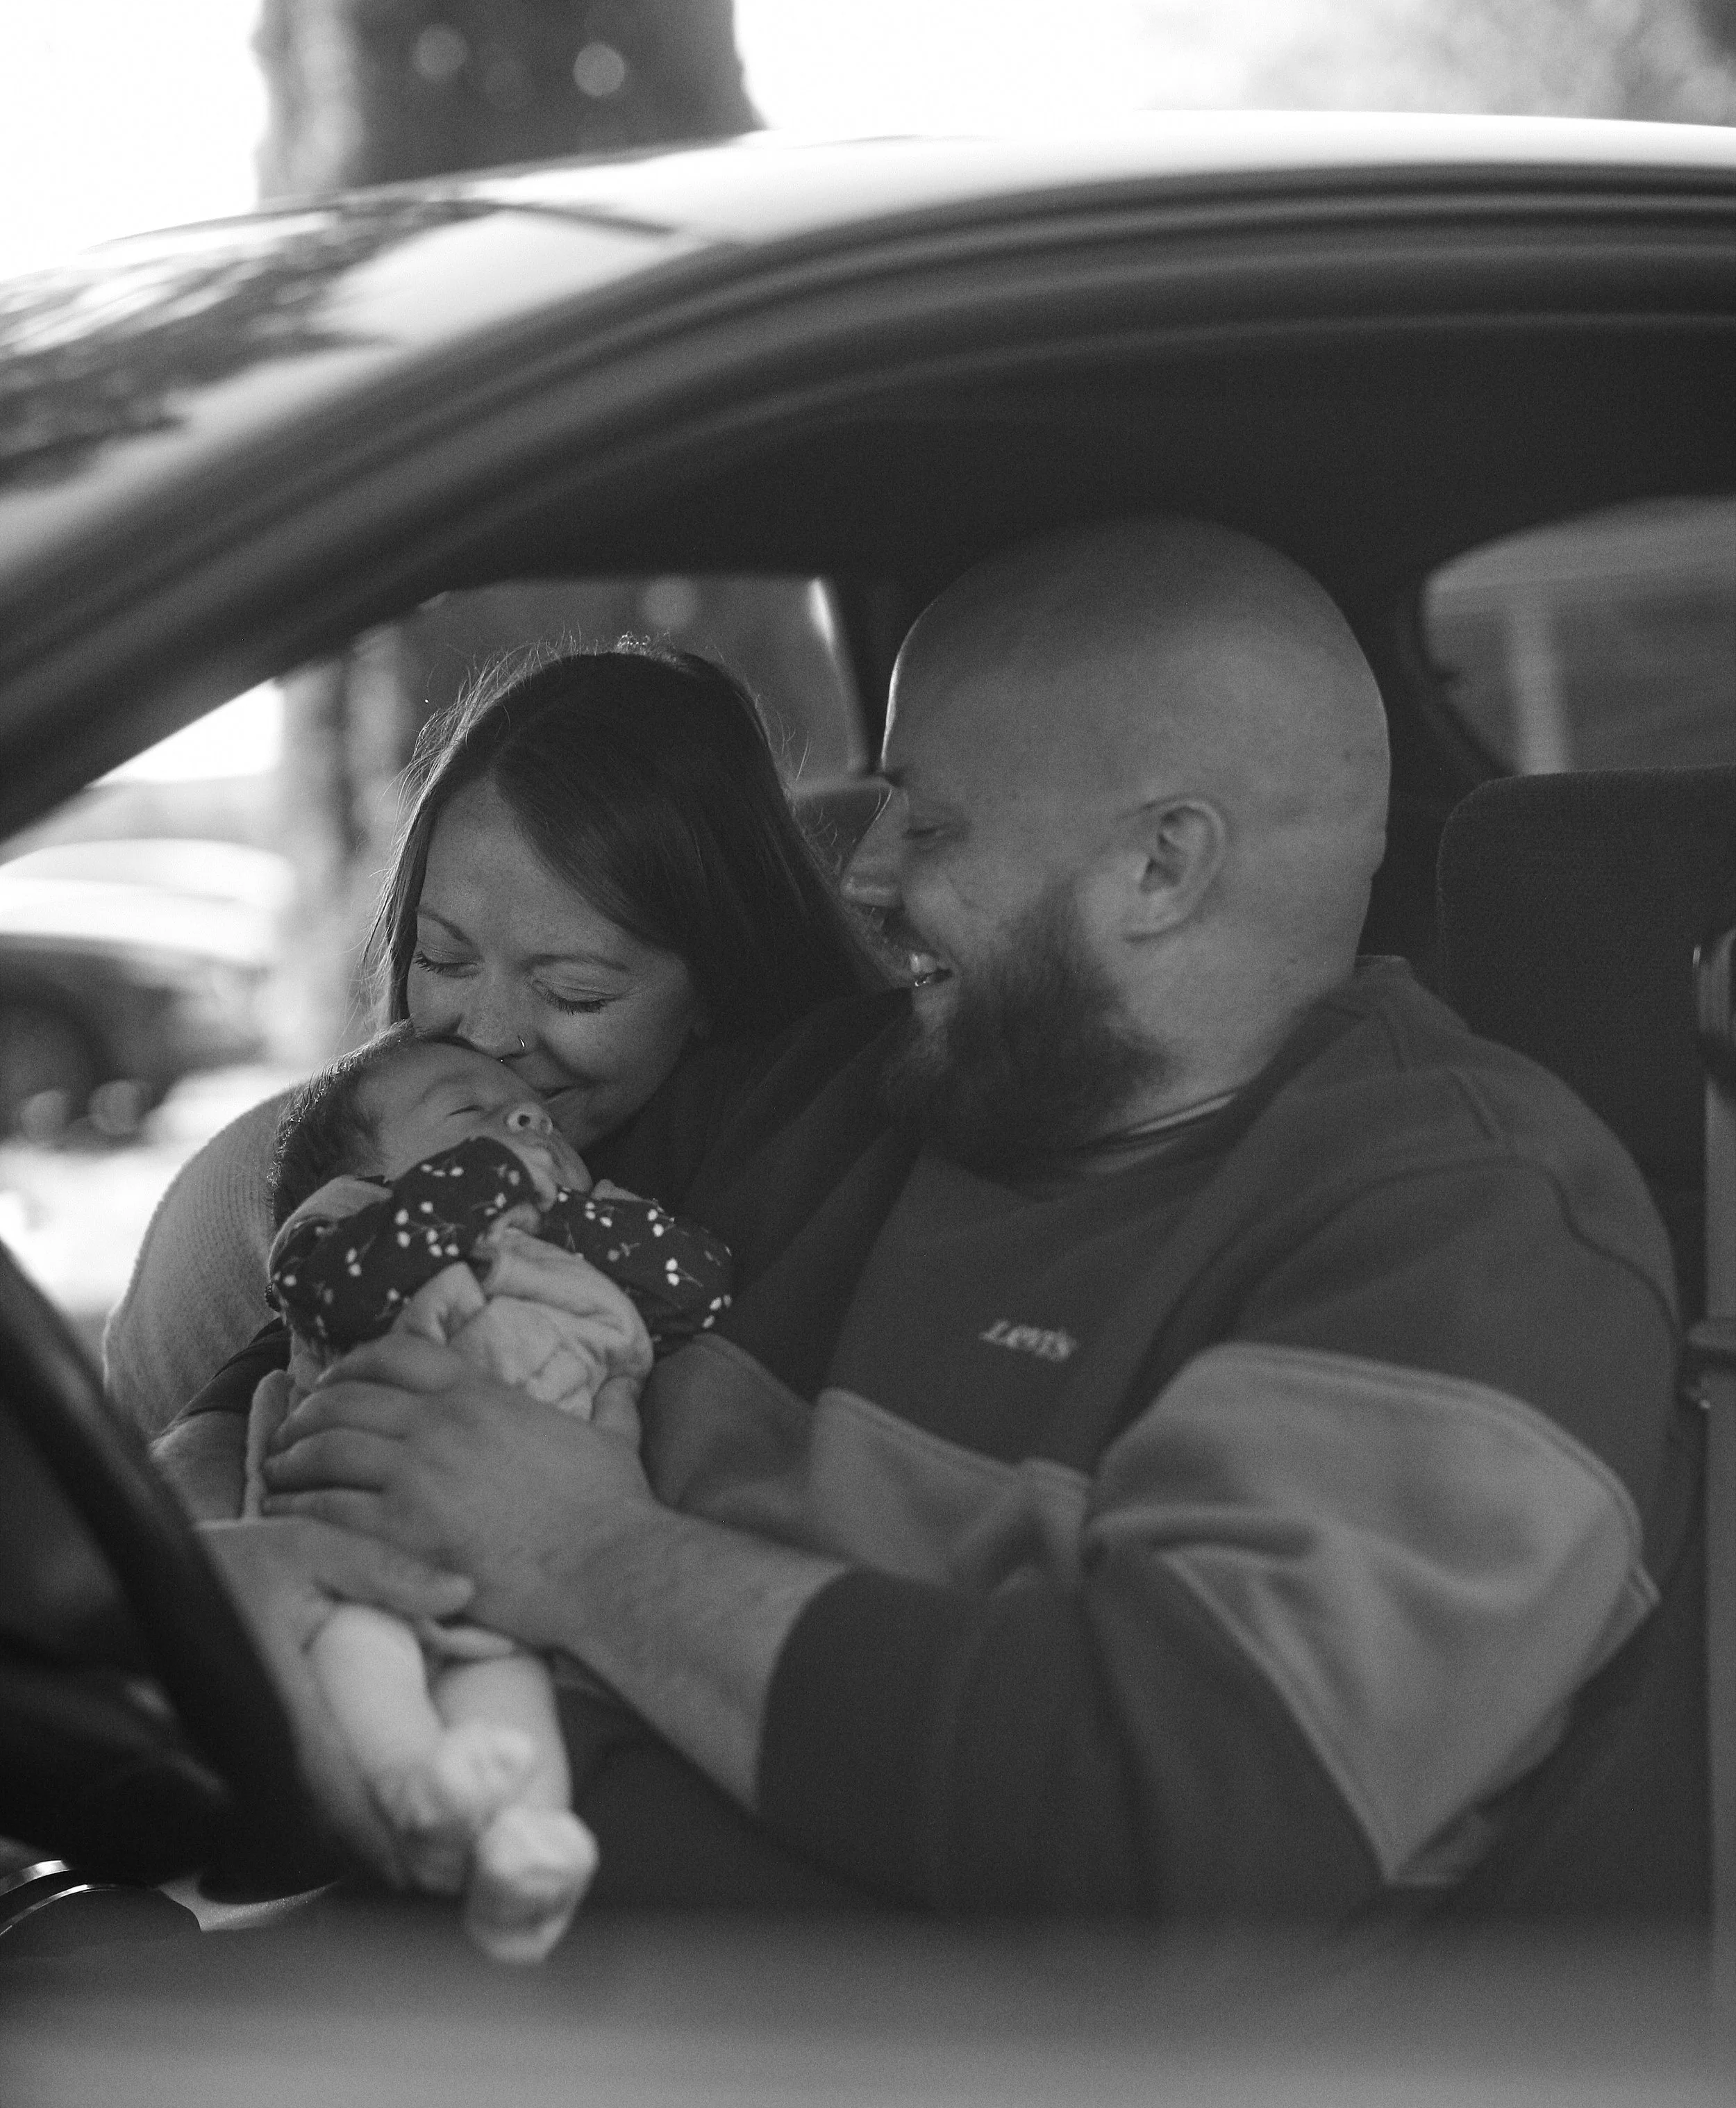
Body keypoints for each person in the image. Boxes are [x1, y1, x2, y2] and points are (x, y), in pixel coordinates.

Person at [217, 518, 1681, 1921]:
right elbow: (333, 1317)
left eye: (927, 819)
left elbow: (1165, 1812)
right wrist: (228, 1544)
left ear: (1160, 866)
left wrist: (586, 1556)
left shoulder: (1470, 1235)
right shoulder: (828, 1094)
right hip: (459, 1937)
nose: (859, 876)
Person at [112, 642, 876, 1518]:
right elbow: (270, 1363)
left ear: (720, 979)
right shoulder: (370, 1141)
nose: (487, 1033)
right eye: (441, 957)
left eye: (571, 992)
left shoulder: (799, 1134)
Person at [244, 1029, 735, 1959]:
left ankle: (522, 1874)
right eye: (469, 1110)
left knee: (514, 1722)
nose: (524, 1120)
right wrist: (495, 1176)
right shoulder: (352, 1221)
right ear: (363, 1167)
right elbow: (343, 1289)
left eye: (540, 1118)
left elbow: (699, 1286)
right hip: (361, 1544)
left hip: (522, 1583)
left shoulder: (589, 1246)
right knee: (361, 1663)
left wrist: (571, 1212)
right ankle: (407, 1789)